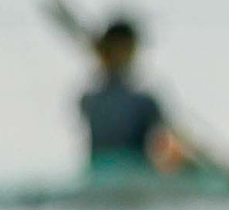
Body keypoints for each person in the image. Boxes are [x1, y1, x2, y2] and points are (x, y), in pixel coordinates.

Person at [77, 17, 209, 173]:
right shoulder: (143, 103)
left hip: (97, 176)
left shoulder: (87, 100)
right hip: (132, 177)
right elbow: (176, 139)